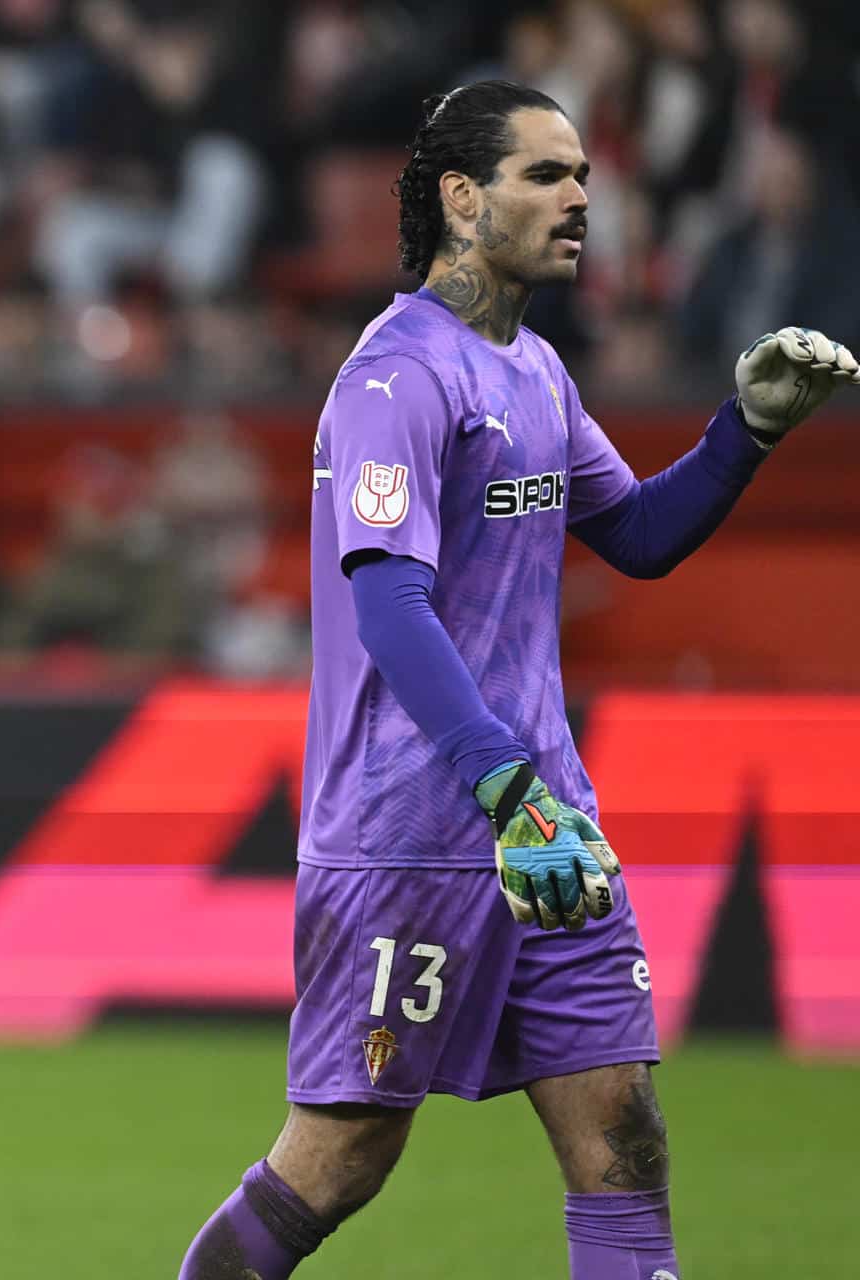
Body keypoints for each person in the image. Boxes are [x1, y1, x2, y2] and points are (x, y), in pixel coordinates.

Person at [179, 80, 859, 1280]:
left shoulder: (535, 370)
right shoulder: (395, 378)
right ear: (459, 197)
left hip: (550, 833)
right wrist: (506, 790)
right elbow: (390, 603)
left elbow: (641, 535)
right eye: (546, 174)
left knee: (624, 1137)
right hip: (417, 830)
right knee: (342, 1157)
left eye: (585, 175)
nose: (580, 198)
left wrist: (742, 431)